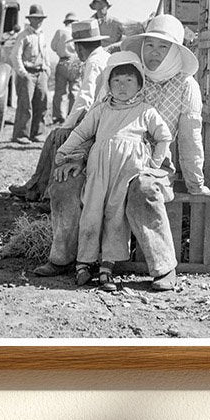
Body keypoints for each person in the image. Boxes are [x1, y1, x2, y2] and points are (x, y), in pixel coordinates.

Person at [33, 13, 210, 291]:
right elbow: (94, 122)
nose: (154, 53)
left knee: (143, 189)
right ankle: (64, 257)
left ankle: (163, 266)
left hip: (151, 163)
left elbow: (189, 138)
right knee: (65, 184)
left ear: (175, 51)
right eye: (150, 45)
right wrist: (76, 158)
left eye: (163, 47)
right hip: (103, 158)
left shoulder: (187, 86)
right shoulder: (125, 72)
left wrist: (195, 183)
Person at [52, 51, 174, 291]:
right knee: (91, 210)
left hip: (128, 172)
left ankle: (108, 267)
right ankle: (83, 264)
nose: (122, 86)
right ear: (108, 84)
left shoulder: (145, 111)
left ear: (140, 84)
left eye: (129, 81)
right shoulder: (101, 110)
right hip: (99, 171)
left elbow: (164, 137)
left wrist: (153, 166)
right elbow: (81, 133)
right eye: (116, 81)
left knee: (116, 216)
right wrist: (63, 153)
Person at [8, 18, 109, 202]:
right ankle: (37, 187)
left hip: (99, 122)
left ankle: (46, 193)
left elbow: (85, 98)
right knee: (55, 136)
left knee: (58, 138)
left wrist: (69, 125)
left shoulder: (94, 63)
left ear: (78, 47)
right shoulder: (103, 57)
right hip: (103, 118)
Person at [9, 4, 53, 143]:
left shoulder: (42, 35)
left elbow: (45, 54)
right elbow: (15, 56)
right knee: (25, 105)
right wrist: (23, 73)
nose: (39, 21)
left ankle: (38, 133)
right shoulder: (24, 35)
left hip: (41, 73)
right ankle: (21, 135)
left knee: (42, 103)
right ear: (30, 19)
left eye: (41, 18)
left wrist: (47, 69)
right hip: (28, 73)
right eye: (36, 18)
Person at [50, 11, 80, 123]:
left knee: (60, 91)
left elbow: (53, 46)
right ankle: (73, 116)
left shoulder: (60, 31)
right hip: (75, 62)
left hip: (63, 61)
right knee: (75, 91)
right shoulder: (78, 32)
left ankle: (59, 116)